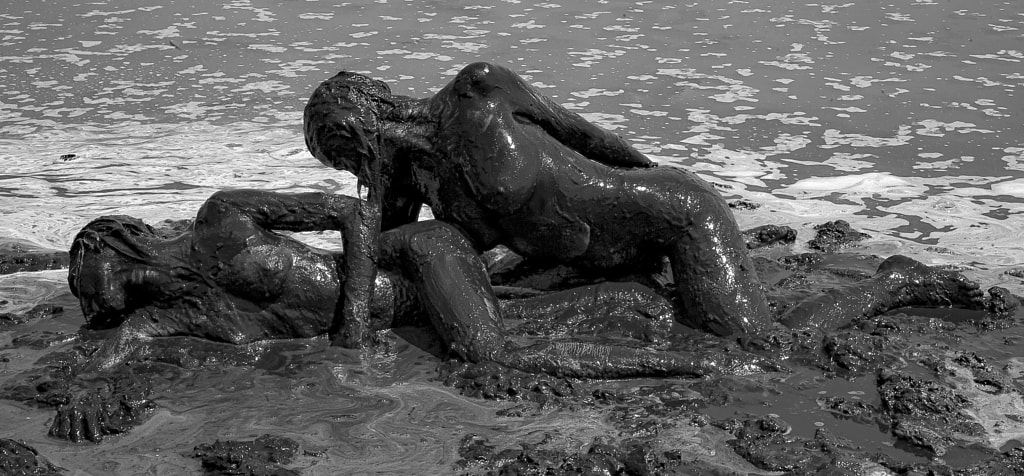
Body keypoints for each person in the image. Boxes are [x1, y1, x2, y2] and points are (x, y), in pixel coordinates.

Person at [304, 62, 774, 348]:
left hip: (676, 216)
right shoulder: (407, 178)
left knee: (747, 340)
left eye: (340, 159)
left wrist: (652, 171)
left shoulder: (479, 89)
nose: (353, 174)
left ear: (354, 131)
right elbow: (382, 260)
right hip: (597, 266)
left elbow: (586, 135)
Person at [69, 189, 779, 377]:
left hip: (417, 255)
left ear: (110, 241)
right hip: (408, 305)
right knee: (514, 319)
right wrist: (103, 351)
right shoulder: (175, 311)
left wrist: (348, 321)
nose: (81, 291)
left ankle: (702, 359)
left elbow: (351, 212)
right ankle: (635, 298)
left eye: (80, 272)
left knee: (487, 351)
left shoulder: (221, 220)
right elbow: (114, 345)